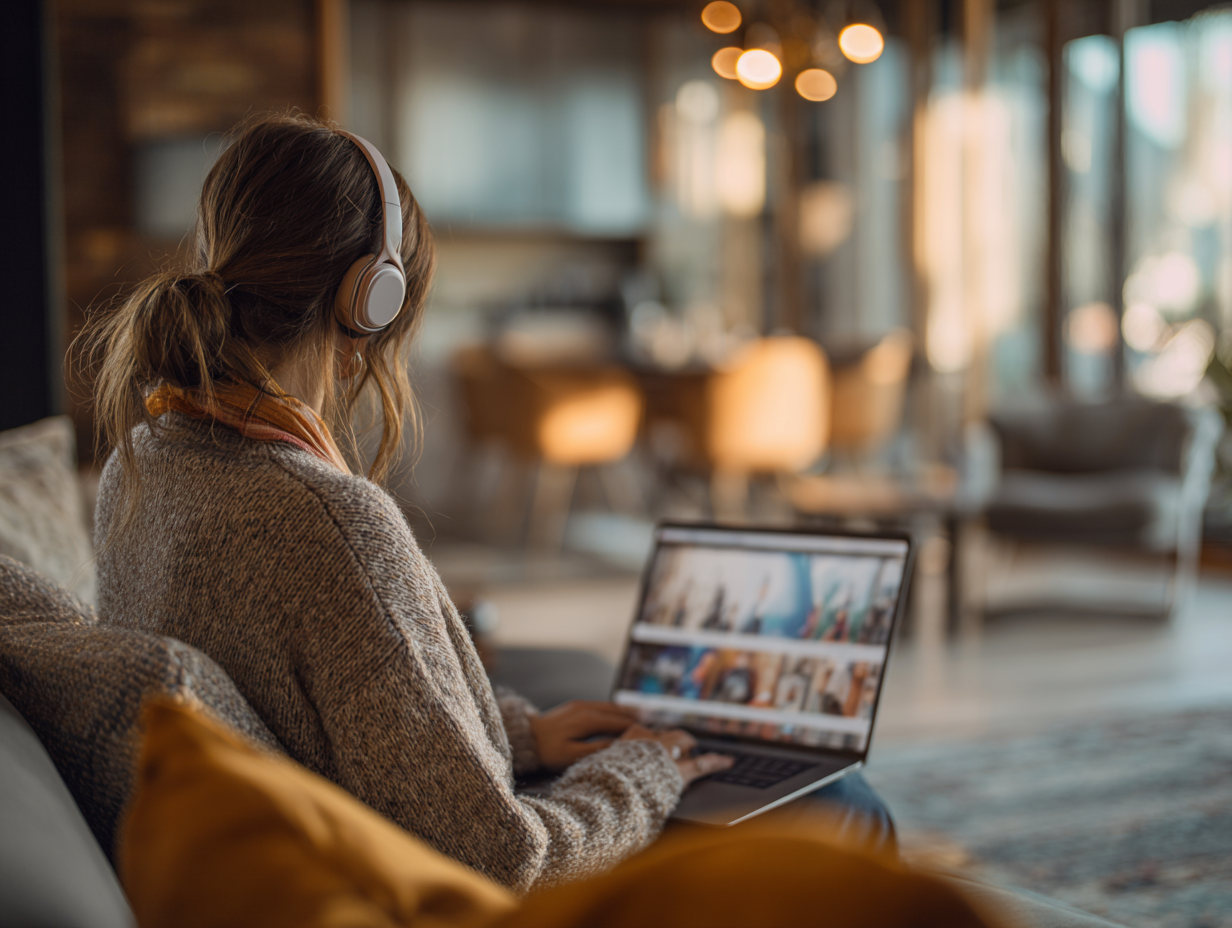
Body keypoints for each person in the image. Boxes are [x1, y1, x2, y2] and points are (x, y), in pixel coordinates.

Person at [84, 113, 892, 893]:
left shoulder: (140, 463)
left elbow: (312, 717)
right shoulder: (327, 522)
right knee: (845, 804)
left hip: (304, 860)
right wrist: (643, 773)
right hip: (424, 893)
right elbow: (506, 864)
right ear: (368, 300)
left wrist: (521, 735)